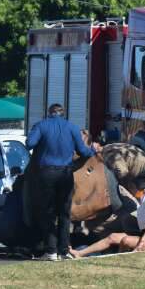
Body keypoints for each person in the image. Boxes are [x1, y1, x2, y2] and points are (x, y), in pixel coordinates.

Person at [26, 103, 100, 261]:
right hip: (66, 174)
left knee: (48, 213)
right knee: (65, 214)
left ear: (49, 113)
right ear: (63, 113)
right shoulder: (73, 128)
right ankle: (64, 250)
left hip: (46, 174)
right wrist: (94, 149)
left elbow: (29, 144)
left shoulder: (41, 125)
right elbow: (83, 151)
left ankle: (51, 251)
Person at [69, 177, 145, 258]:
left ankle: (119, 258)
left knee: (126, 240)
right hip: (143, 234)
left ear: (135, 188)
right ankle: (79, 253)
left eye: (131, 187)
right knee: (112, 237)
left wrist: (141, 242)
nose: (130, 190)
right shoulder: (142, 200)